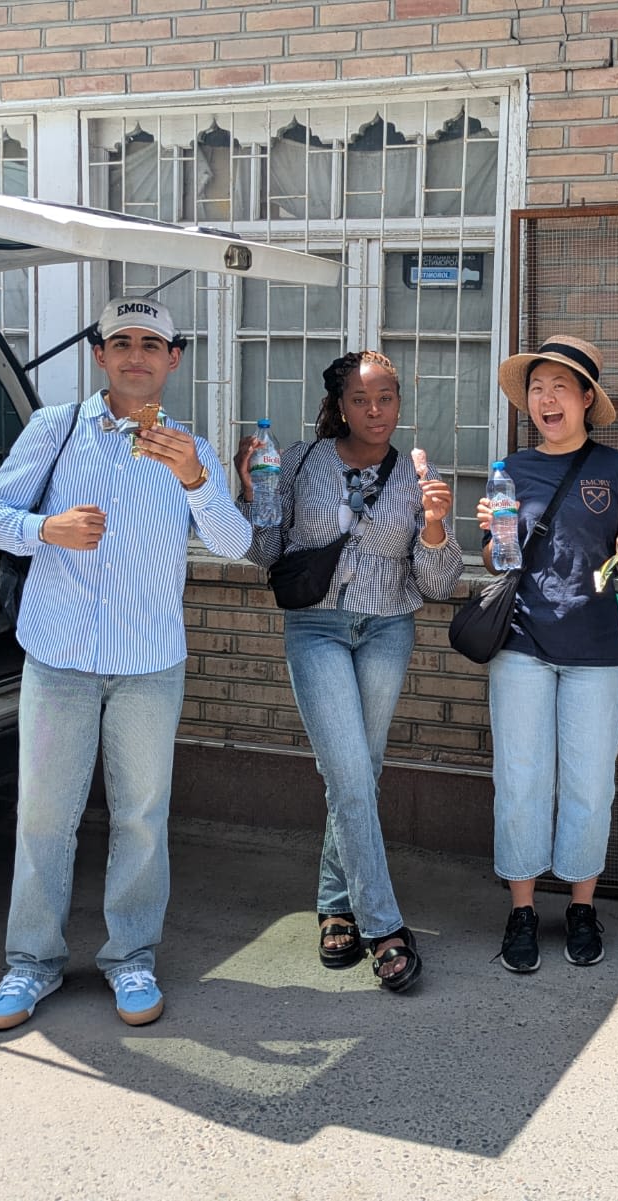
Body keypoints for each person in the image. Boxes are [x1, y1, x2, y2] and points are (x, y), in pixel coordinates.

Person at [0, 296, 252, 1031]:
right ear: (99, 354)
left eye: (151, 344)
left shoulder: (188, 446)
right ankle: (30, 964)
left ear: (174, 359)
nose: (136, 355)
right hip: (59, 657)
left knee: (141, 817)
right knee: (44, 818)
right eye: (121, 341)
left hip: (148, 664)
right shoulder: (55, 428)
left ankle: (132, 958)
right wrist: (45, 528)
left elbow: (233, 541)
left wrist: (196, 477)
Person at [237, 351, 461, 993]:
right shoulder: (303, 461)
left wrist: (439, 525)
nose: (375, 411)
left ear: (398, 401)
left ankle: (334, 905)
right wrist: (255, 494)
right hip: (316, 629)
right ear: (340, 404)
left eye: (386, 398)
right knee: (350, 774)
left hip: (388, 628)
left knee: (361, 774)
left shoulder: (419, 472)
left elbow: (438, 584)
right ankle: (383, 926)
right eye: (361, 400)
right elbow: (266, 552)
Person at [479, 335, 618, 972]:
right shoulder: (511, 470)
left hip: (597, 647)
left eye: (560, 387)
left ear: (586, 399)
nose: (545, 398)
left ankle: (581, 906)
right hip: (521, 642)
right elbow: (502, 561)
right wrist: (493, 535)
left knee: (588, 783)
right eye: (536, 387)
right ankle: (522, 909)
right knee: (520, 781)